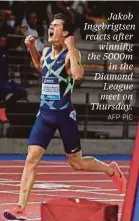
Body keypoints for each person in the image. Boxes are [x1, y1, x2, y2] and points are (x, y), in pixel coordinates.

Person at [3, 13, 126, 220]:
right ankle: (20, 207)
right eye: (50, 24)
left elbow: (78, 76)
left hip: (64, 115)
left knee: (76, 163)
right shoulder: (46, 52)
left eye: (56, 25)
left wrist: (71, 48)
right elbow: (41, 68)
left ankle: (110, 170)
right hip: (44, 115)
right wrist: (31, 49)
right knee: (31, 157)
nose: (51, 27)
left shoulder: (71, 54)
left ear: (66, 33)